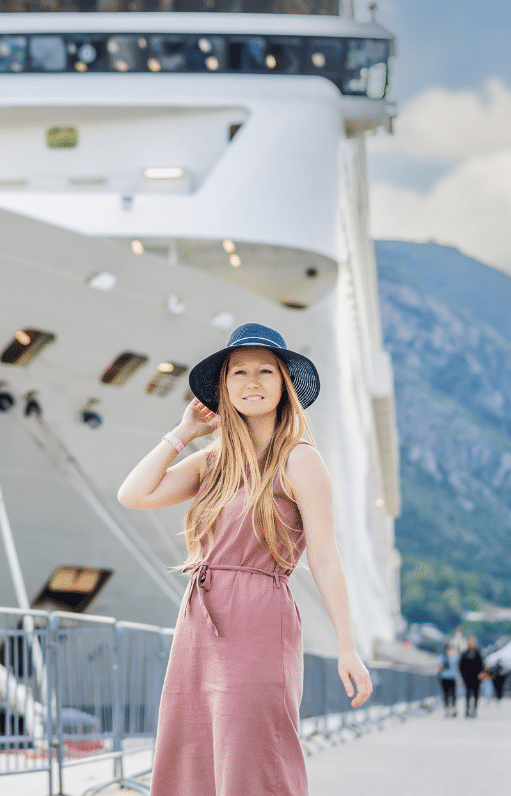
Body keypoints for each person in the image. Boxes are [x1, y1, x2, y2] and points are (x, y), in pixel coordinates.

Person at [118, 323, 372, 796]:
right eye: (238, 373)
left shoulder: (300, 460)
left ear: (284, 385)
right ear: (224, 386)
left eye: (264, 372)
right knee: (190, 749)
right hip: (199, 620)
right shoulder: (212, 462)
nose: (251, 382)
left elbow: (324, 558)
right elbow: (133, 494)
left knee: (253, 751)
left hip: (260, 617)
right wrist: (184, 431)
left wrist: (347, 646)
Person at [460, 636, 485, 717]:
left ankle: (474, 709)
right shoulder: (464, 653)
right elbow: (461, 666)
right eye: (470, 642)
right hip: (467, 677)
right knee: (467, 694)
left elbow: (482, 665)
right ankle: (467, 709)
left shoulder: (478, 653)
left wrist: (481, 673)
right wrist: (462, 676)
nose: (471, 644)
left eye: (473, 642)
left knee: (476, 694)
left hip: (477, 677)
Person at [438, 645, 459, 716]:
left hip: (452, 677)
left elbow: (459, 665)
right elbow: (439, 667)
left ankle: (453, 709)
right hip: (444, 677)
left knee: (453, 694)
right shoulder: (442, 657)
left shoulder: (455, 657)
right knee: (446, 694)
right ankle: (447, 709)